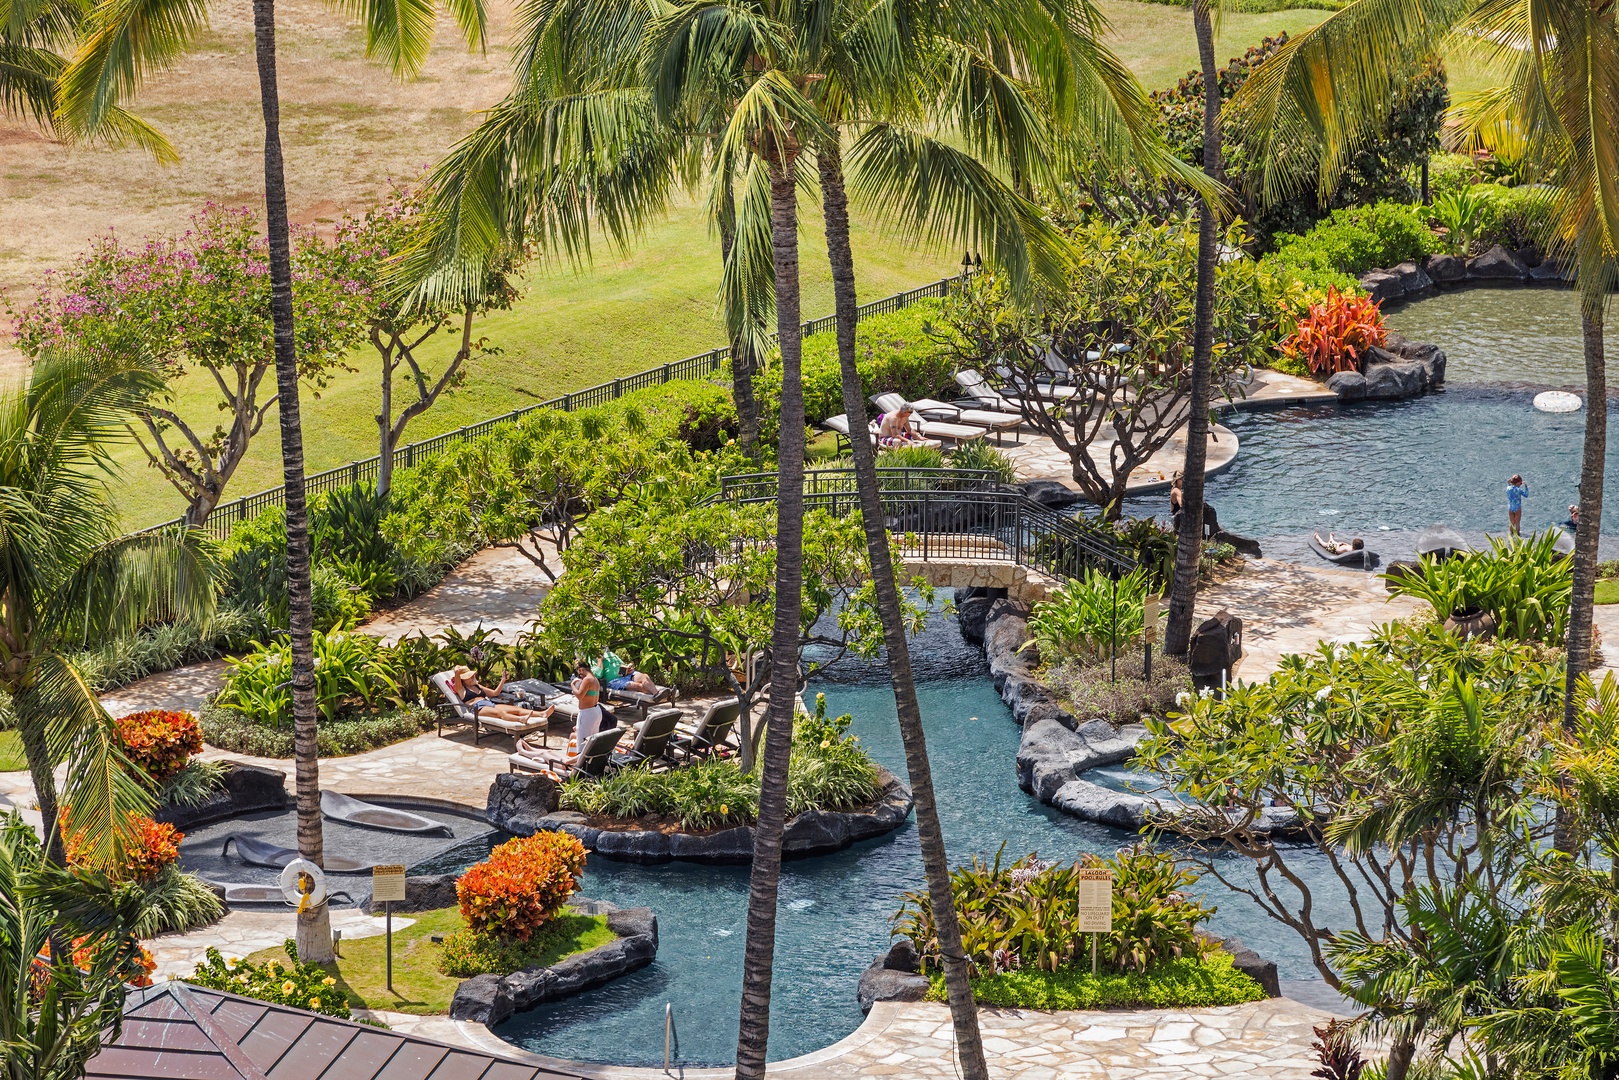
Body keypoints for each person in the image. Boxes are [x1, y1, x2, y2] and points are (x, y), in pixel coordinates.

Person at [450, 665, 552, 728]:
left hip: (489, 703)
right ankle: (520, 719)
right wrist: (456, 672)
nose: (473, 677)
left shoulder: (477, 686)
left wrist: (503, 680)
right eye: (469, 676)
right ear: (463, 679)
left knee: (516, 708)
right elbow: (458, 680)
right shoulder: (462, 689)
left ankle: (541, 714)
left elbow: (495, 693)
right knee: (501, 713)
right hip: (477, 708)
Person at [570, 658, 605, 755]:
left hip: (587, 713)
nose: (579, 674)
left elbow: (579, 695)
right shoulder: (594, 679)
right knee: (592, 741)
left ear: (582, 669)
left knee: (582, 743)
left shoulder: (587, 680)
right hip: (595, 711)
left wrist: (572, 685)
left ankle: (580, 765)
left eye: (579, 671)